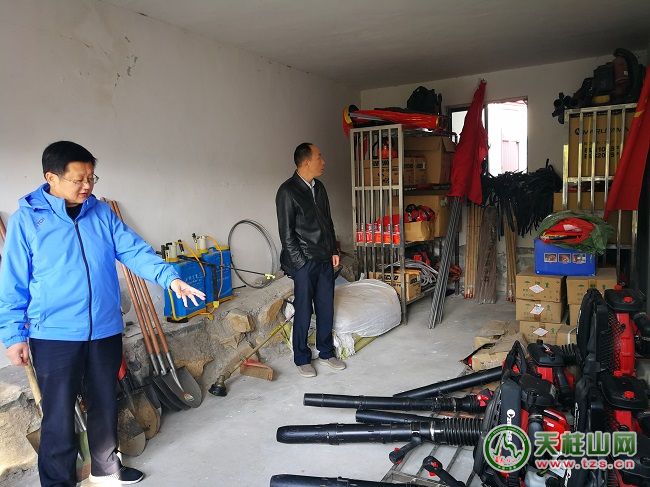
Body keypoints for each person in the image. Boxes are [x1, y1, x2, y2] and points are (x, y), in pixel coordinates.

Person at [0, 141, 205, 486]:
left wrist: (169, 278)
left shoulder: (101, 214)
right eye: (78, 179)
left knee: (105, 402)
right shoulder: (27, 221)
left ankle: (105, 470)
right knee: (58, 416)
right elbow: (13, 282)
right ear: (51, 178)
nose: (87, 186)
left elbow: (134, 251)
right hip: (54, 334)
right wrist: (13, 335)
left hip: (104, 328)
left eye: (92, 178)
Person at [275, 143, 345, 378]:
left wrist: (333, 249)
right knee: (304, 310)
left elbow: (327, 221)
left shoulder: (319, 187)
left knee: (326, 307)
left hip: (324, 258)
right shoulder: (287, 191)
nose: (323, 161)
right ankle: (302, 358)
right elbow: (286, 234)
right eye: (319, 157)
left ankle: (326, 352)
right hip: (304, 261)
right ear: (306, 162)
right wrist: (300, 264)